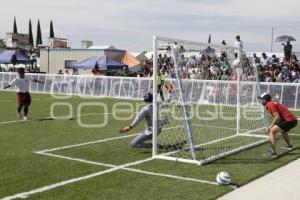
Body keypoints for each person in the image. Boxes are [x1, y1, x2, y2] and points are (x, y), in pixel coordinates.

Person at [259, 92, 298, 157]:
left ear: (265, 99)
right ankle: (289, 145)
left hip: (289, 120)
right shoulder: (272, 103)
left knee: (272, 131)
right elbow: (278, 118)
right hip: (292, 120)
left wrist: (270, 127)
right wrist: (275, 124)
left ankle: (273, 152)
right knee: (283, 130)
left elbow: (277, 116)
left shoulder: (269, 104)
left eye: (261, 99)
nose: (260, 101)